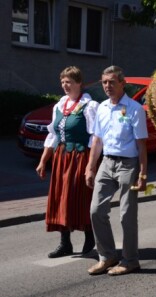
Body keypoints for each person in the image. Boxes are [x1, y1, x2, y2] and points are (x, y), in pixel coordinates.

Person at [85, 66, 148, 276]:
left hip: (128, 164)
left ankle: (130, 260)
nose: (107, 86)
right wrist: (90, 167)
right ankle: (107, 256)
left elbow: (141, 145)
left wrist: (143, 173)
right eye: (104, 82)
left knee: (127, 215)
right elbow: (97, 140)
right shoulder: (102, 107)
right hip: (106, 163)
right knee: (96, 210)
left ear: (122, 83)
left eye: (112, 82)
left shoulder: (134, 108)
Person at [36, 66, 99, 258]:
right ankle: (65, 243)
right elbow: (53, 135)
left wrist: (91, 163)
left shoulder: (89, 106)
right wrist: (43, 160)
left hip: (80, 157)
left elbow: (95, 136)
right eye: (63, 82)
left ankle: (90, 236)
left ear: (79, 83)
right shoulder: (59, 105)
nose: (65, 85)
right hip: (62, 157)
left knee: (80, 197)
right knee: (60, 198)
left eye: (69, 82)